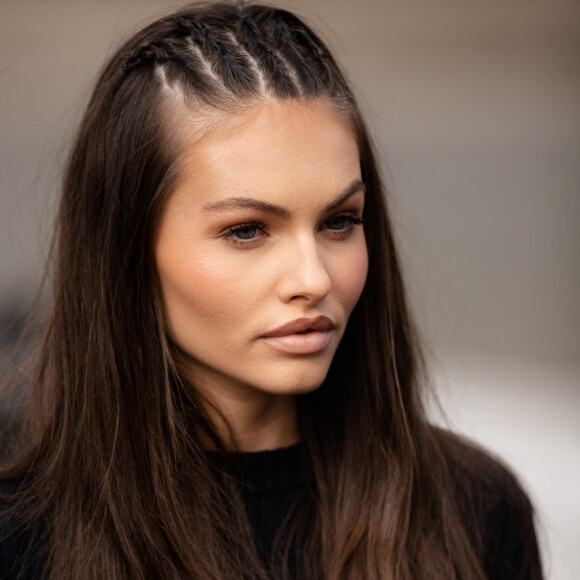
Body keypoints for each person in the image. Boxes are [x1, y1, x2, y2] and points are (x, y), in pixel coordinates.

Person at [0, 2, 542, 578]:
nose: (314, 279)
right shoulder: (21, 544)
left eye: (339, 221)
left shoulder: (475, 510)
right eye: (246, 231)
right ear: (127, 250)